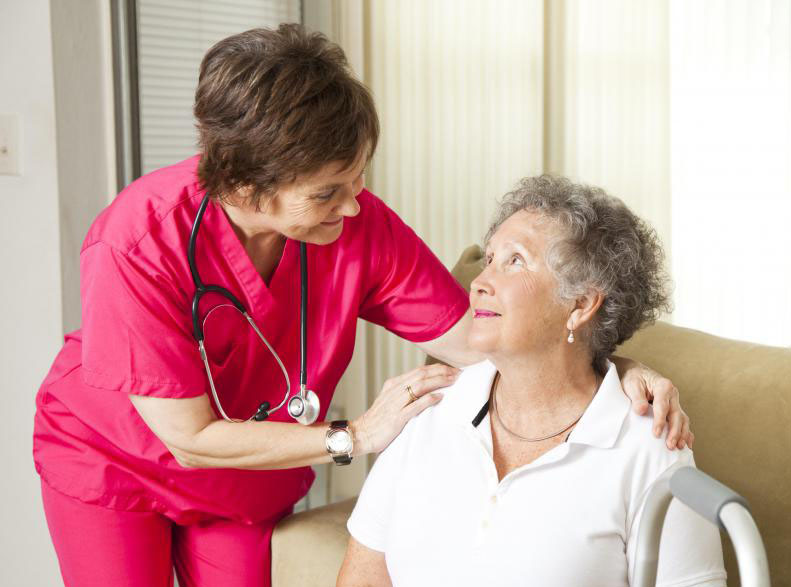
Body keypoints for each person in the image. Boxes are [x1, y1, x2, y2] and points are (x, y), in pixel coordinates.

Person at [33, 26, 690, 587]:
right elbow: (190, 437)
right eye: (326, 192)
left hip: (245, 479)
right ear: (244, 183)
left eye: (357, 178)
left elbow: (485, 338)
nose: (351, 206)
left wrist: (616, 368)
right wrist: (357, 436)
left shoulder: (357, 226)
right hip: (114, 460)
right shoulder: (139, 237)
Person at [339, 176, 726, 587]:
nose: (479, 282)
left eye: (515, 261)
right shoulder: (426, 411)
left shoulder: (651, 448)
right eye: (489, 259)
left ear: (580, 304)